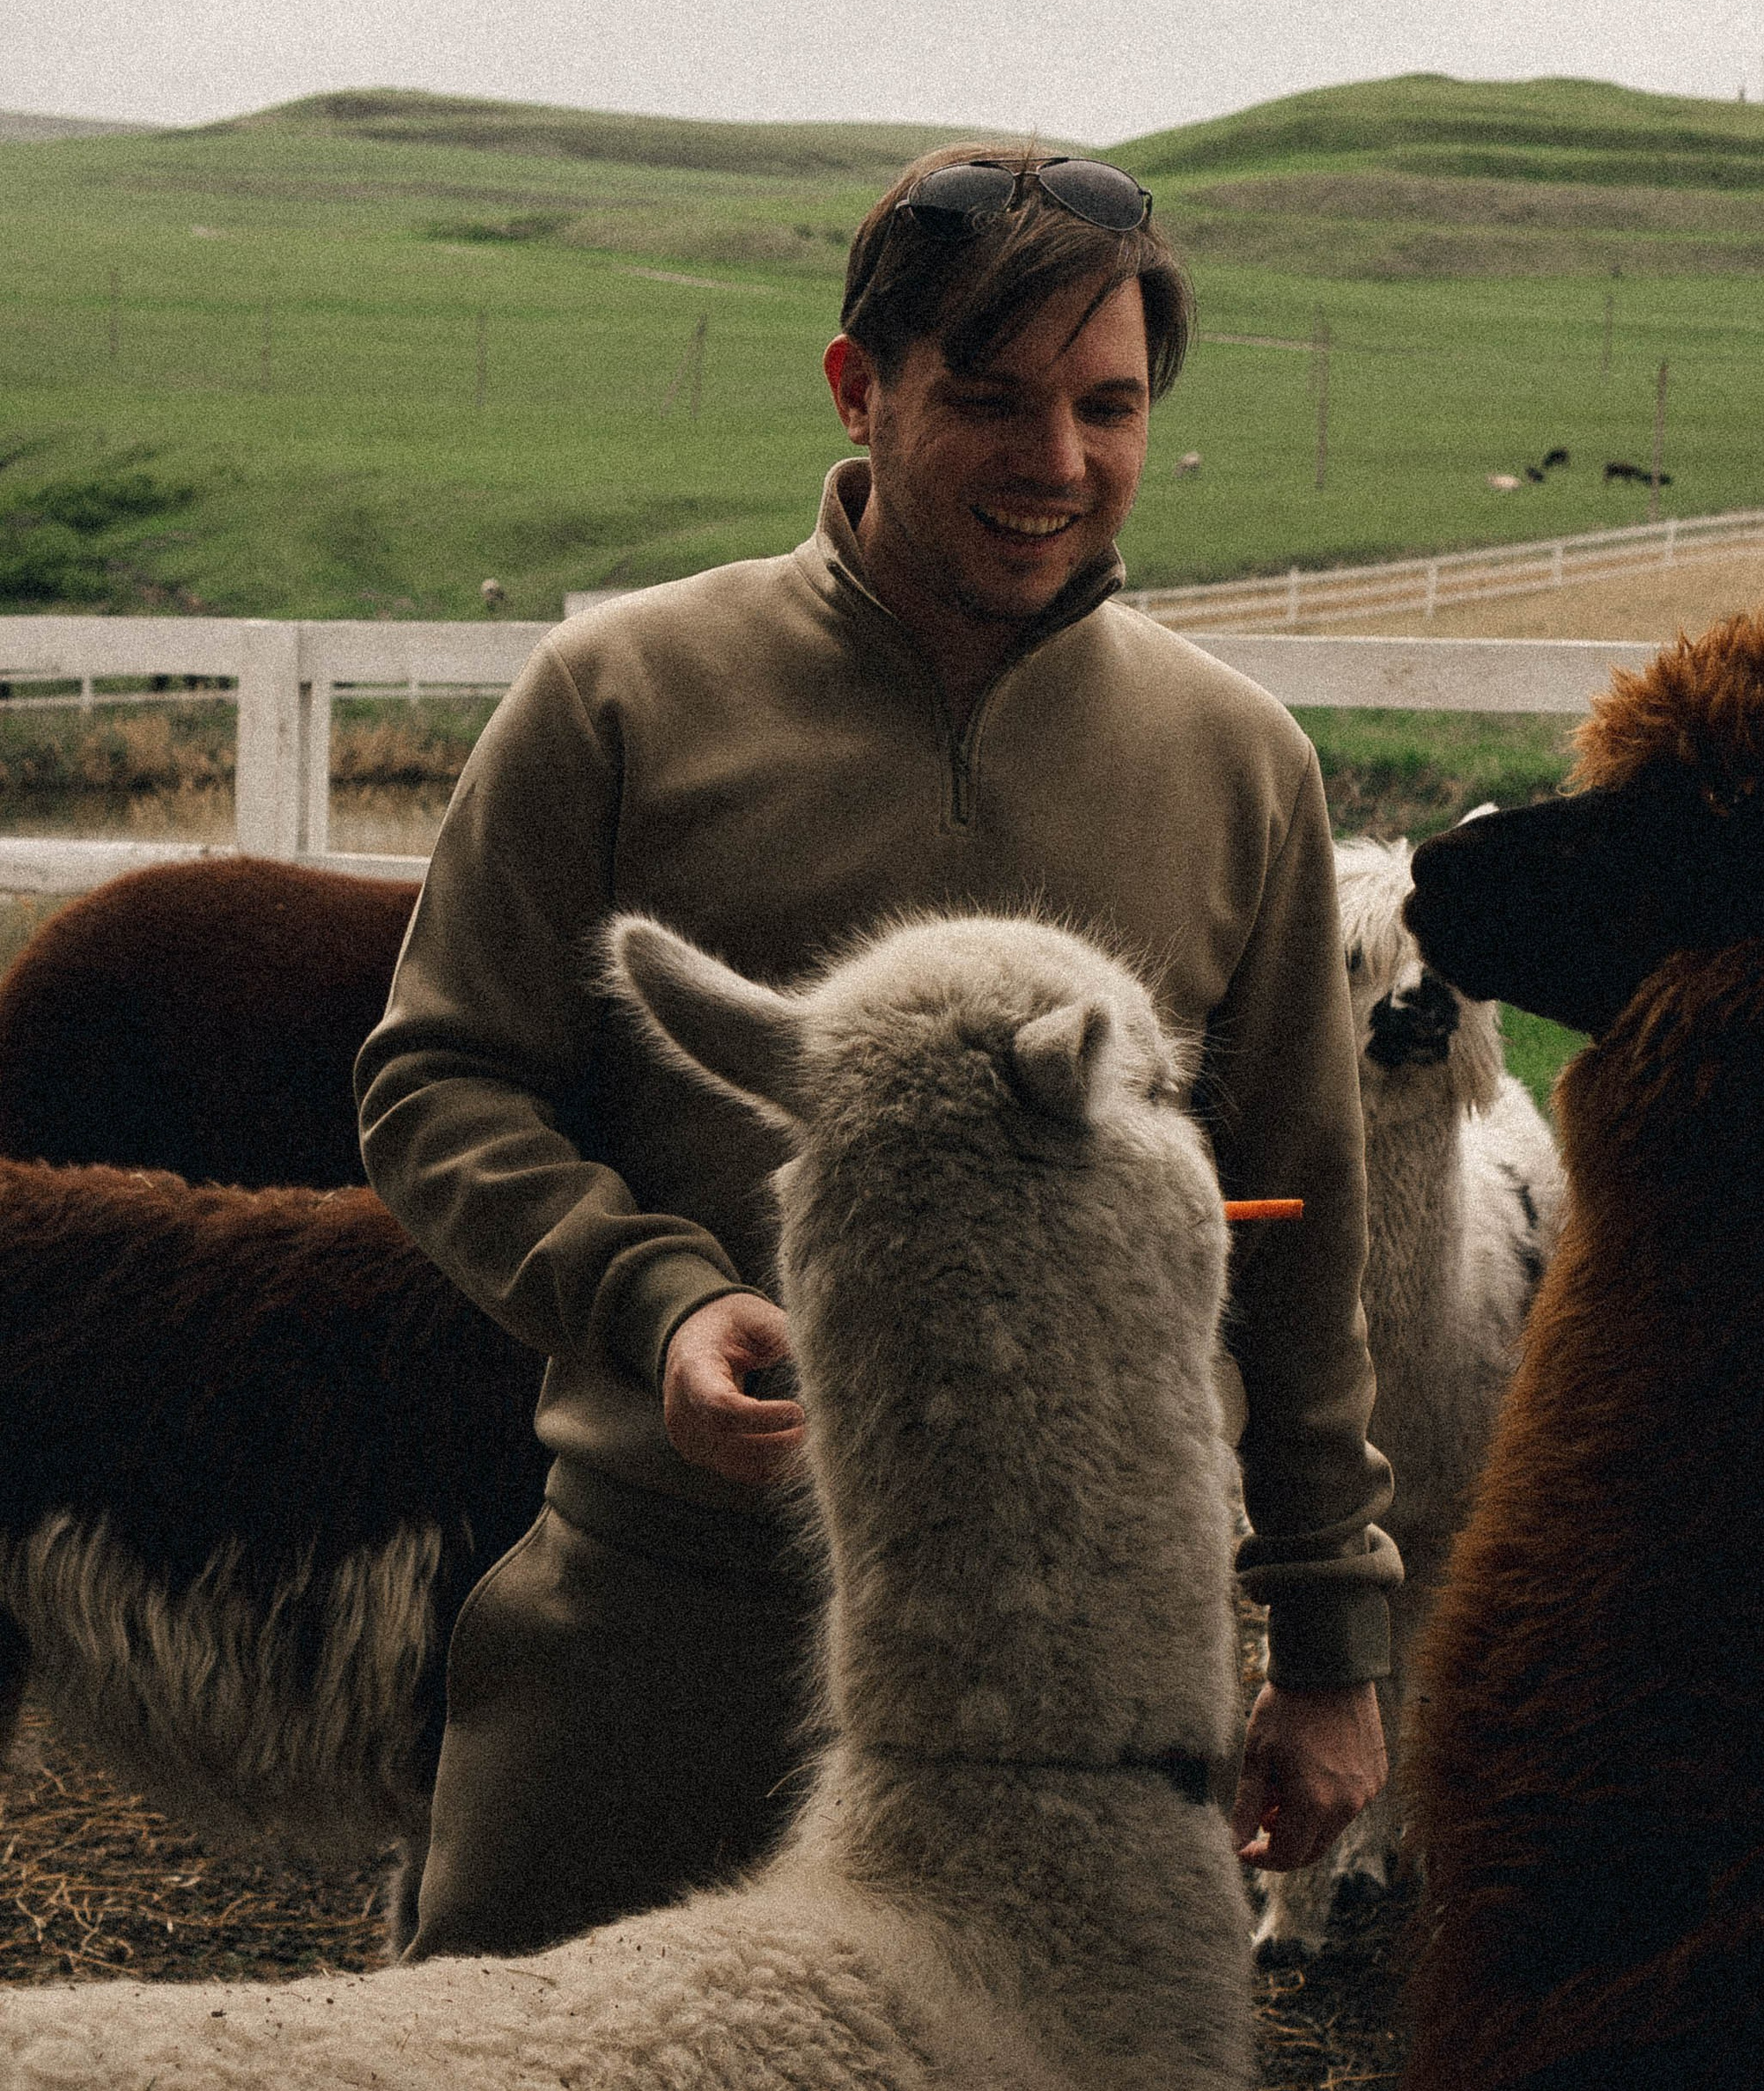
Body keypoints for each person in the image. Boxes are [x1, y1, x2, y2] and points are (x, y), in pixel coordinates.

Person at [358, 146, 1399, 1959]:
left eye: (1107, 405)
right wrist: (655, 1302)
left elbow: (1298, 1219)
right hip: (667, 1622)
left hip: (1078, 1684)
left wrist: (1323, 1649)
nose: (1056, 464)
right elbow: (436, 1083)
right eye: (988, 401)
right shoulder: (616, 699)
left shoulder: (1242, 769)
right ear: (858, 387)